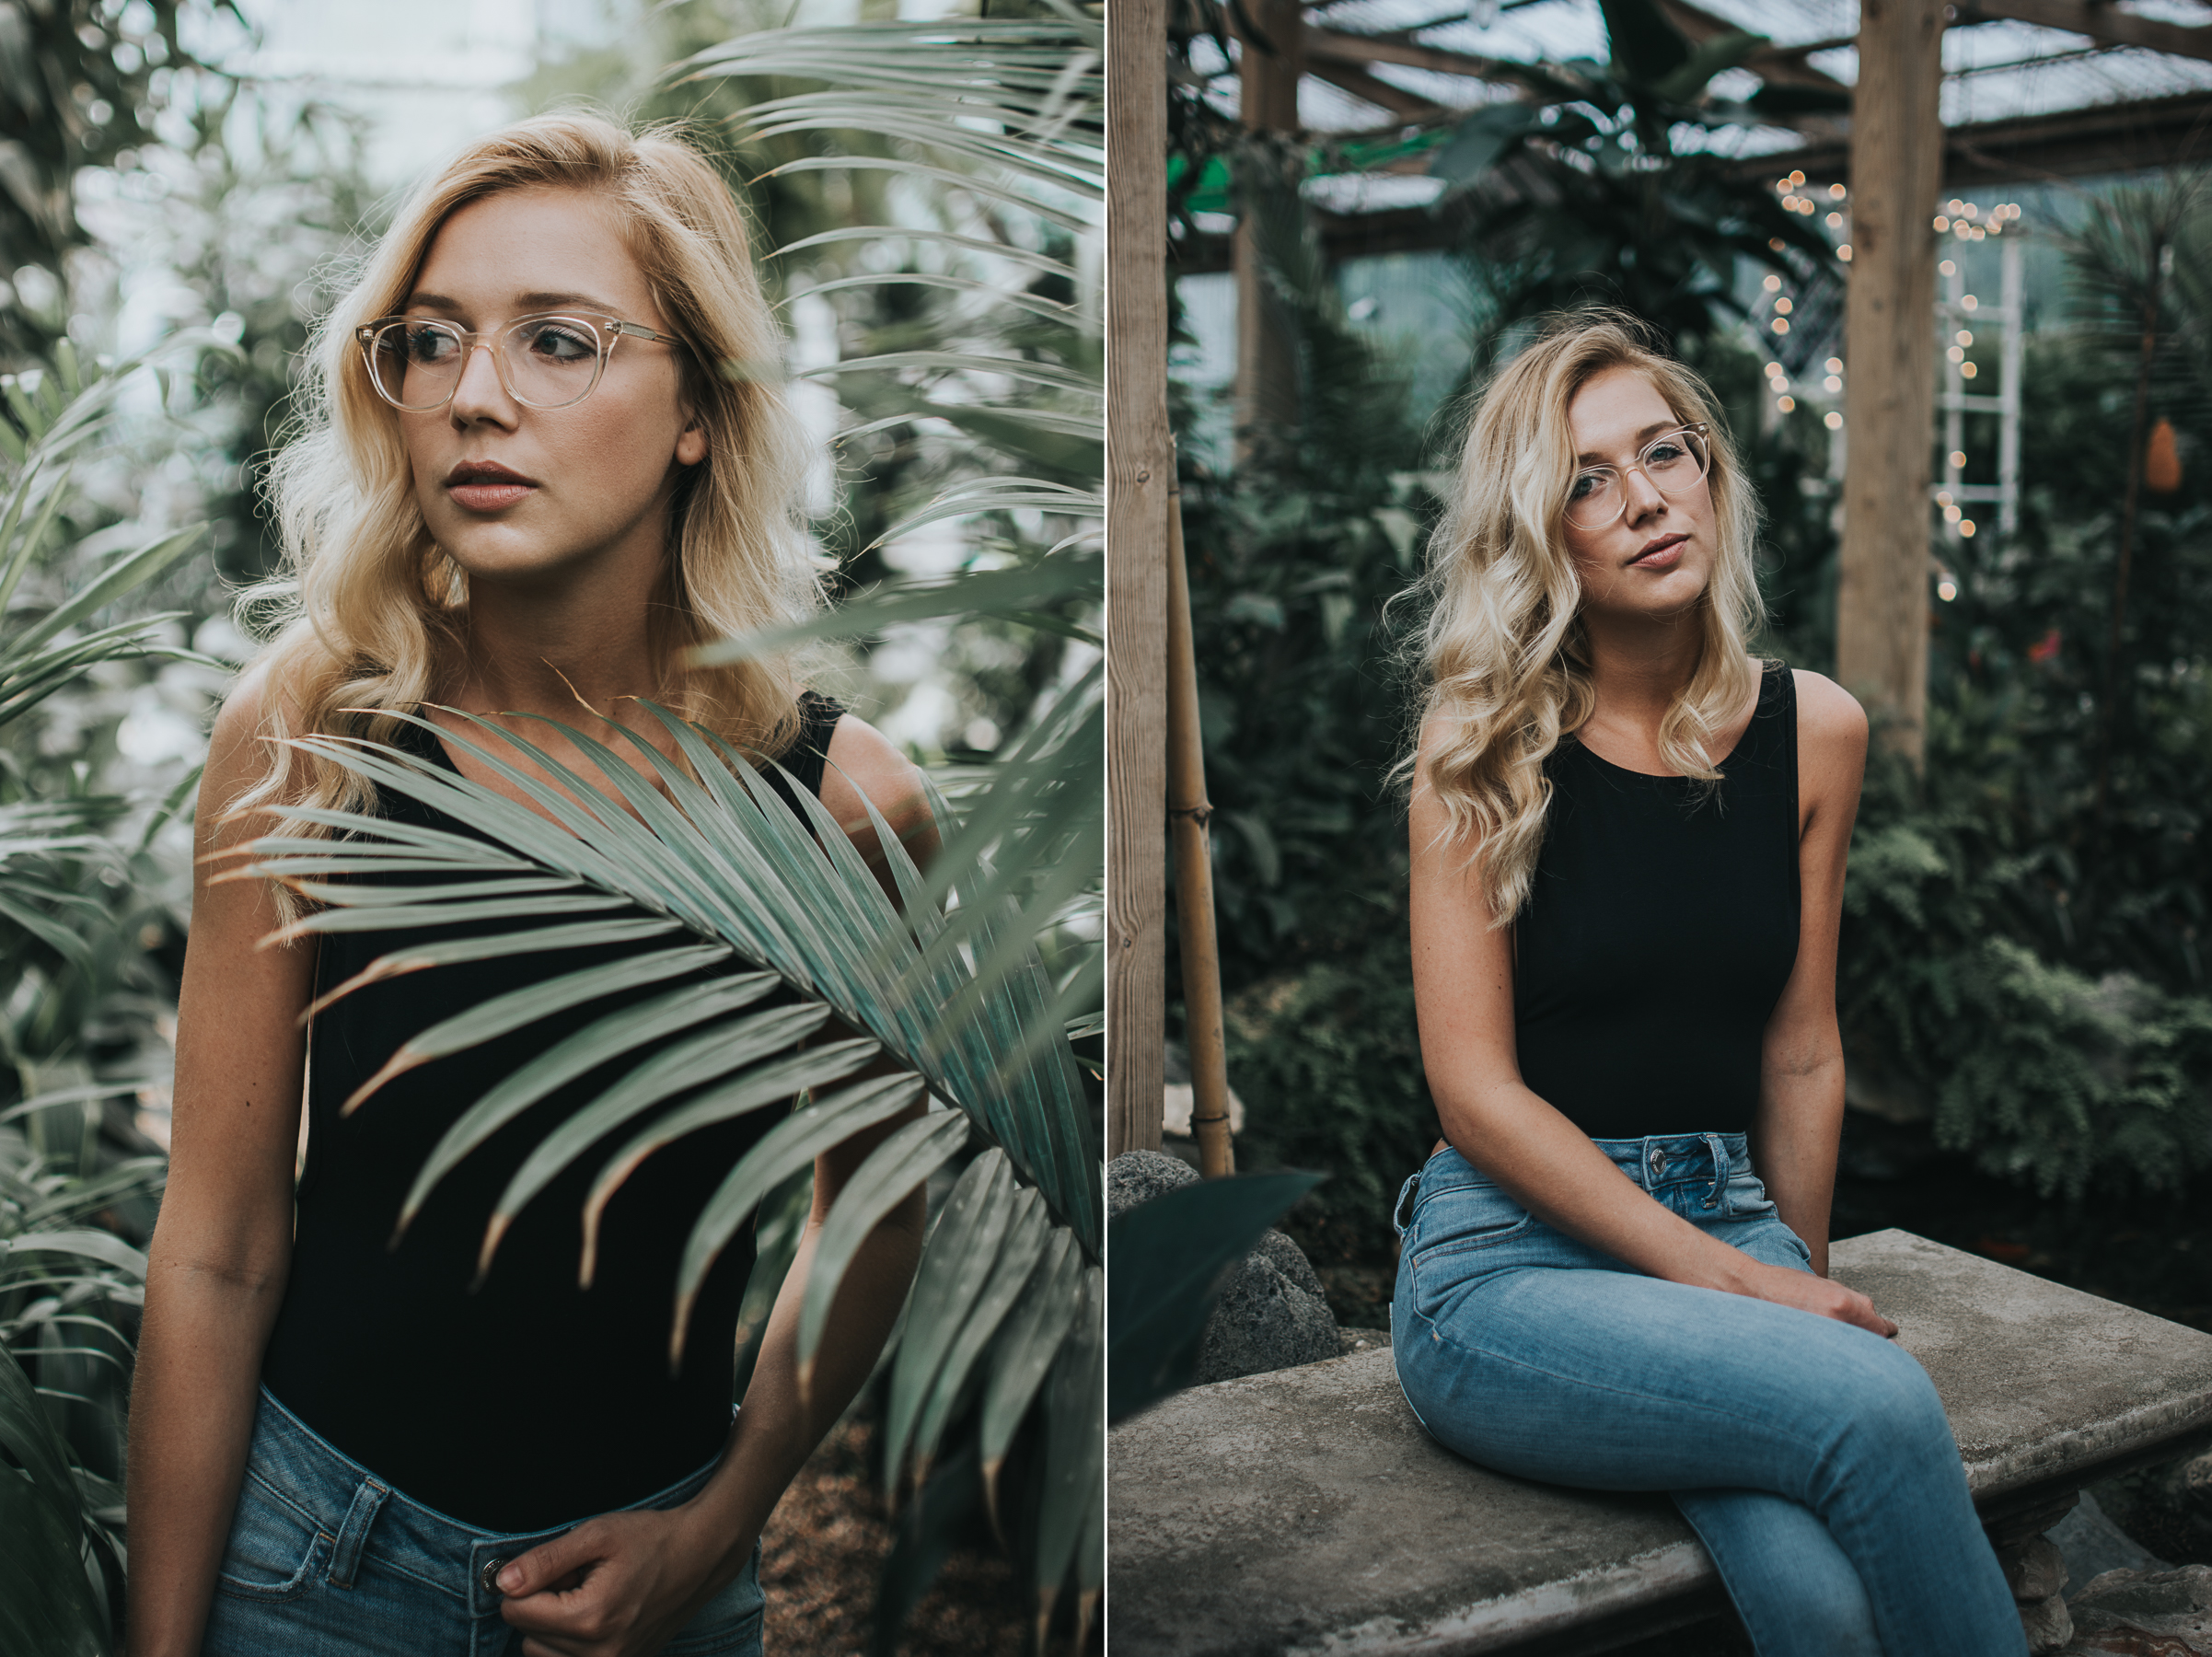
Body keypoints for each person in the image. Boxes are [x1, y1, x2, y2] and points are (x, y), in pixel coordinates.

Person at [126, 113, 937, 1657]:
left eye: (557, 340)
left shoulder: (842, 809)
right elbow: (218, 1242)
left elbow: (870, 1218)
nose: (474, 396)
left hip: (658, 1590)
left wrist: (719, 1527)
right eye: (429, 343)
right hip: (314, 1566)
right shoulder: (313, 731)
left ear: (699, 406)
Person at [1390, 312, 2027, 1657]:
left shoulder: (1817, 733)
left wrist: (1784, 1273)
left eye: (1663, 455)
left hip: (1725, 1218)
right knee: (1882, 1407)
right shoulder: (1481, 748)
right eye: (1586, 481)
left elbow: (1798, 1050)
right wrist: (1752, 1303)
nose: (1643, 502)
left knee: (1819, 1600)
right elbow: (1474, 1095)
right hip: (1505, 1265)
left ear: (1712, 475)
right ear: (1537, 532)